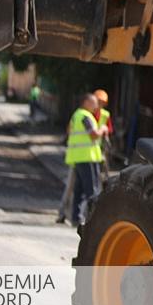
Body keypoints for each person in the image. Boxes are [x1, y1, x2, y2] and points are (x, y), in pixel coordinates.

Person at [65, 94, 107, 226]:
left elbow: (68, 131)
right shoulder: (85, 116)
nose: (96, 105)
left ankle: (76, 217)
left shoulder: (76, 115)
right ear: (85, 102)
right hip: (87, 157)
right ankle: (93, 220)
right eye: (93, 102)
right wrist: (103, 129)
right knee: (92, 190)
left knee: (78, 189)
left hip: (78, 157)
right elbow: (93, 135)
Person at [94, 89, 112, 181]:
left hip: (99, 146)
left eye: (102, 102)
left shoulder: (105, 114)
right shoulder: (89, 113)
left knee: (99, 170)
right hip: (89, 147)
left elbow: (110, 129)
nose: (100, 103)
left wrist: (105, 131)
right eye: (99, 101)